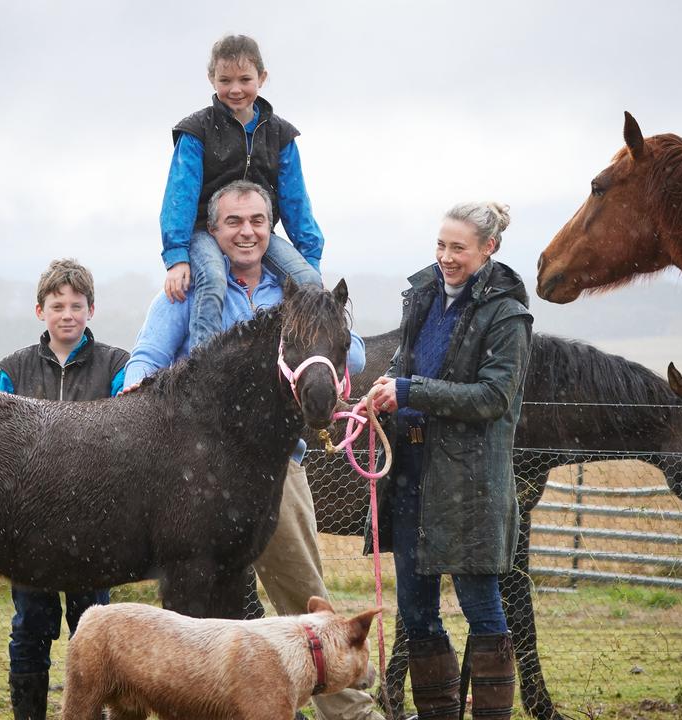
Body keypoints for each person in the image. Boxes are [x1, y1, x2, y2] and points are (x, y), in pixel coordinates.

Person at [125, 180, 383, 720]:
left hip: (276, 467)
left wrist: (321, 329)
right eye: (233, 223)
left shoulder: (296, 294)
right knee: (207, 605)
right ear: (214, 230)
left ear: (271, 227)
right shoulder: (190, 291)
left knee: (300, 589)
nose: (246, 232)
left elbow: (352, 357)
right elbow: (147, 356)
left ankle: (351, 712)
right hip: (197, 475)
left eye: (258, 221)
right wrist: (135, 391)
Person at [363, 202, 533, 720]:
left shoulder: (507, 316)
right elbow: (406, 360)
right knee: (416, 613)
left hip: (470, 480)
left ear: (489, 248)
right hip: (411, 472)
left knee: (482, 608)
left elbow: (492, 398)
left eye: (458, 247)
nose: (446, 257)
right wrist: (388, 382)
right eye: (441, 245)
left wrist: (411, 389)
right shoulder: (423, 296)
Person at [0, 258, 130, 720]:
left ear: (92, 309)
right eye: (57, 305)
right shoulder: (13, 371)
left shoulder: (117, 365)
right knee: (30, 628)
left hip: (95, 527)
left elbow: (125, 437)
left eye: (77, 305)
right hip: (29, 528)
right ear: (40, 311)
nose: (67, 313)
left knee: (92, 631)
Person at [159, 33, 324, 350]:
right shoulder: (196, 131)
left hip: (256, 229)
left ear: (262, 78)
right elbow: (178, 196)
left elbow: (296, 200)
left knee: (310, 283)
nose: (235, 89)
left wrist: (310, 256)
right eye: (225, 80)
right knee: (213, 280)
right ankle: (203, 366)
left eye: (245, 79)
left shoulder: (280, 134)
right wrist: (177, 257)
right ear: (212, 79)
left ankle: (303, 357)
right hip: (202, 231)